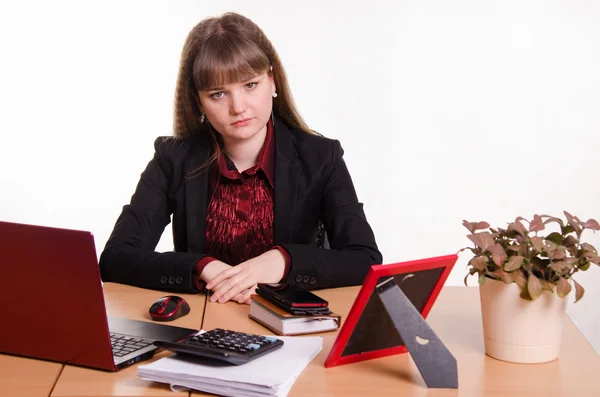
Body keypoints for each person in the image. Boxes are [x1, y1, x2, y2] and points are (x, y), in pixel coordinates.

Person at [99, 12, 381, 304]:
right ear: (199, 101)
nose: (238, 107)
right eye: (218, 94)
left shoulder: (321, 156)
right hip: (205, 324)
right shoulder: (174, 158)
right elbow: (115, 258)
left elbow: (366, 260)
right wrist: (201, 266)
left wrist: (284, 260)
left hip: (289, 326)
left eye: (250, 85)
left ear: (272, 81)